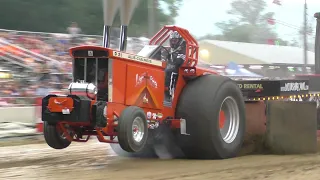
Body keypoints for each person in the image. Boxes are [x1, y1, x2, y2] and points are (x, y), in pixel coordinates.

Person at [164, 31, 186, 103]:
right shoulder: (170, 49)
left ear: (179, 41)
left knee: (171, 71)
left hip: (180, 70)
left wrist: (169, 63)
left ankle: (170, 95)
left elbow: (179, 61)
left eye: (175, 40)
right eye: (172, 40)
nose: (173, 42)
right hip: (172, 67)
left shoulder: (183, 49)